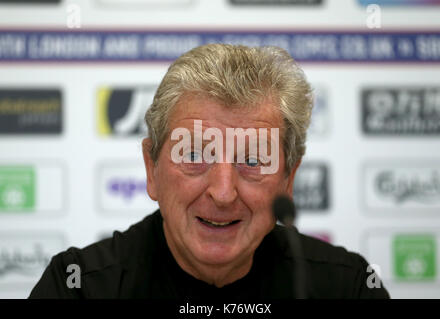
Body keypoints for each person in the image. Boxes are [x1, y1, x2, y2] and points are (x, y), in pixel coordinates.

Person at [29, 44, 389, 299]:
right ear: (151, 170)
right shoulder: (76, 287)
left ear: (288, 180)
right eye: (196, 154)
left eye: (251, 161)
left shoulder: (348, 287)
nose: (223, 191)